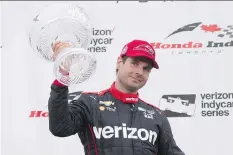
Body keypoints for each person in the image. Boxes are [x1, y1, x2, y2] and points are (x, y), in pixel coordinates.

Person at [48, 40, 185, 155]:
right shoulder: (90, 103)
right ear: (119, 62)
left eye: (146, 69)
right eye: (135, 63)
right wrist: (62, 75)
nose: (139, 72)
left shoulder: (157, 116)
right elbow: (60, 127)